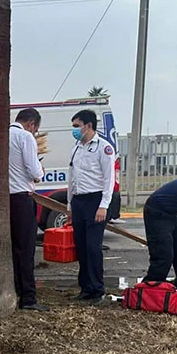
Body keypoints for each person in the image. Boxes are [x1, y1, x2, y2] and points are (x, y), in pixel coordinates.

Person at [67, 109, 116, 304]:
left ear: (88, 126)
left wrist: (103, 205)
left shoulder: (104, 148)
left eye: (77, 126)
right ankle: (85, 287)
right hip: (79, 201)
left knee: (93, 247)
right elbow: (72, 179)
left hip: (95, 201)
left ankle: (97, 289)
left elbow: (109, 179)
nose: (75, 131)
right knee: (81, 246)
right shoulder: (77, 148)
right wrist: (70, 206)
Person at [9, 108, 48, 312]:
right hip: (21, 199)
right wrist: (41, 172)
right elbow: (34, 170)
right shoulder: (24, 137)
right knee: (26, 250)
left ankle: (14, 292)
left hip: (3, 201)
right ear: (32, 124)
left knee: (12, 250)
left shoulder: (2, 135)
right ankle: (28, 298)